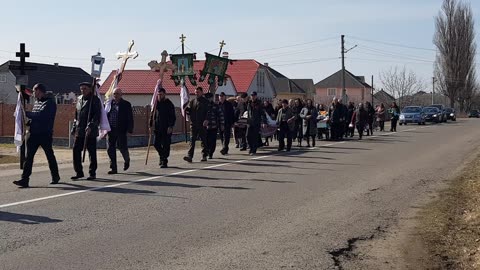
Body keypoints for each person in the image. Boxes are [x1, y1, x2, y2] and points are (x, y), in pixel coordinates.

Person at [13, 83, 60, 188]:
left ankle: (55, 176)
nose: (33, 93)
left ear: (39, 91)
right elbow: (35, 118)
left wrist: (25, 113)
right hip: (33, 134)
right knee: (28, 157)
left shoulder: (50, 103)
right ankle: (25, 179)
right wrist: (27, 122)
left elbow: (41, 116)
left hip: (45, 134)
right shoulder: (37, 103)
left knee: (49, 156)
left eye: (35, 91)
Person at [71, 81, 101, 180]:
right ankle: (79, 172)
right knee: (76, 150)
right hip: (80, 130)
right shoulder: (79, 99)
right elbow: (76, 115)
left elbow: (97, 115)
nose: (83, 90)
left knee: (91, 152)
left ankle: (92, 172)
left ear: (90, 89)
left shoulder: (95, 100)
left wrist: (91, 125)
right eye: (81, 89)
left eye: (85, 89)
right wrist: (74, 127)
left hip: (90, 131)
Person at [106, 88, 133, 174]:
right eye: (114, 94)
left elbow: (130, 118)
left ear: (121, 94)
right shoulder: (109, 104)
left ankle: (127, 160)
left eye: (117, 94)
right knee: (110, 149)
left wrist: (130, 129)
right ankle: (113, 168)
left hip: (121, 129)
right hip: (111, 129)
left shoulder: (126, 104)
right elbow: (105, 115)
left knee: (122, 147)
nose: (115, 95)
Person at [184, 87, 209, 162]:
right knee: (192, 140)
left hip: (202, 124)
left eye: (198, 92)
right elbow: (190, 110)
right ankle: (190, 156)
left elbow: (209, 112)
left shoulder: (205, 102)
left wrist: (207, 119)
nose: (196, 93)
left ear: (201, 92)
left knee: (203, 140)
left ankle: (204, 155)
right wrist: (186, 109)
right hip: (194, 124)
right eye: (195, 92)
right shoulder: (192, 101)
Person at [153, 87, 176, 168]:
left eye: (161, 94)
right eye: (158, 94)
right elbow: (153, 115)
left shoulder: (169, 104)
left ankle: (164, 161)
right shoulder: (156, 104)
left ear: (164, 94)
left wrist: (170, 126)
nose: (159, 96)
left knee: (166, 145)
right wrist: (150, 125)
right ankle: (162, 156)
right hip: (157, 128)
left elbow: (172, 116)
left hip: (166, 128)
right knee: (156, 144)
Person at [205, 92, 224, 159]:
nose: (208, 99)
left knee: (213, 141)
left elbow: (221, 115)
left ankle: (211, 153)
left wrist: (222, 124)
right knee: (206, 141)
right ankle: (206, 152)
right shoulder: (204, 105)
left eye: (209, 98)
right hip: (205, 127)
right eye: (207, 98)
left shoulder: (215, 106)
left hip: (214, 126)